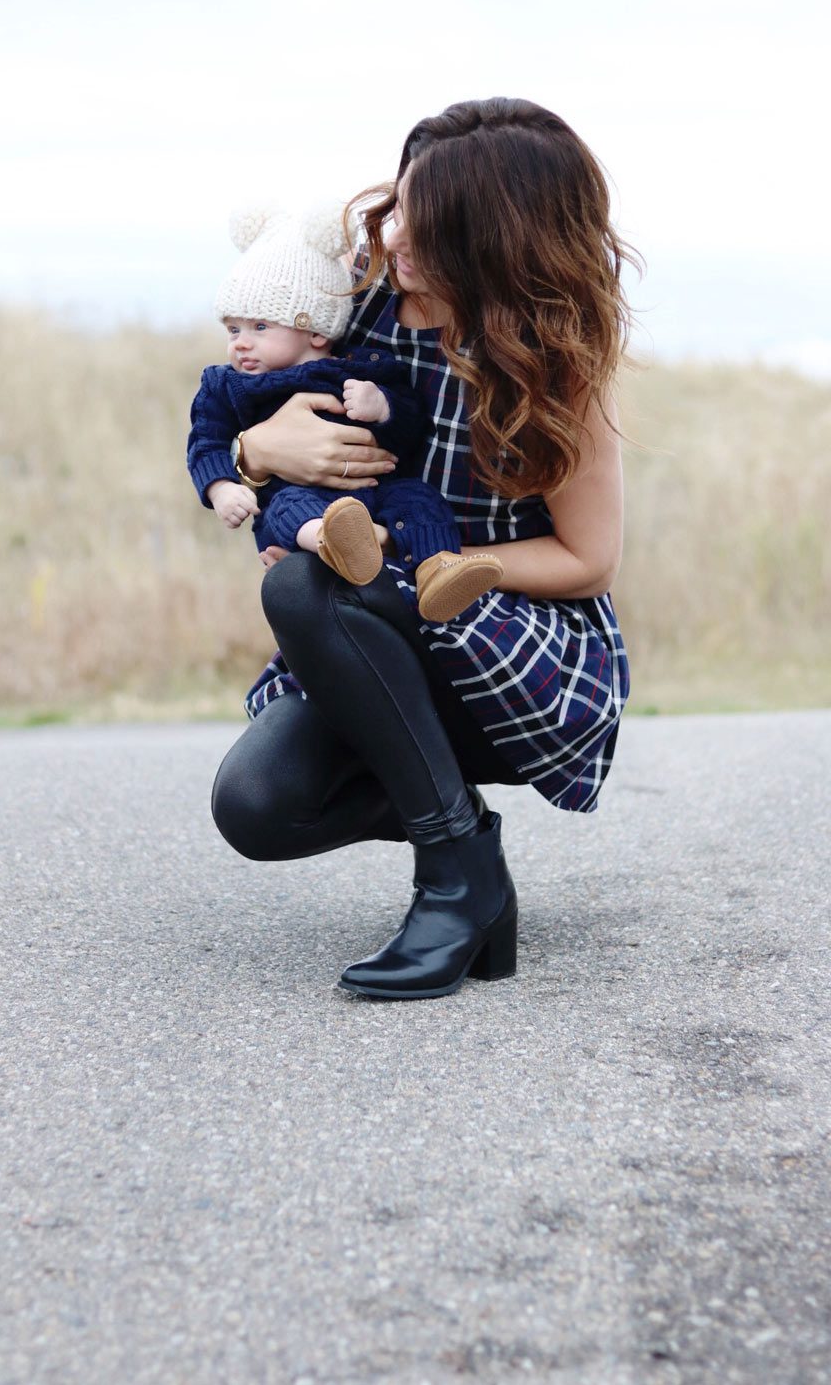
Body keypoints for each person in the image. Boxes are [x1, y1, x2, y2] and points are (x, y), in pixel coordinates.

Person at [210, 98, 635, 1000]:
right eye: (399, 202)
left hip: (509, 651)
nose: (395, 232)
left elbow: (589, 560)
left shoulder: (550, 363)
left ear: (494, 238)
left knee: (303, 594)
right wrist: (259, 452)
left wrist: (434, 574)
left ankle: (454, 886)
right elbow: (234, 411)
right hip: (371, 643)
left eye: (425, 220)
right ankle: (466, 852)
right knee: (257, 805)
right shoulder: (356, 308)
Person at [187, 207, 503, 623]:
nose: (241, 344)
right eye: (233, 330)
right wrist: (221, 489)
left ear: (316, 331)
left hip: (378, 492)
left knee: (420, 501)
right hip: (296, 497)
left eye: (260, 327)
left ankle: (437, 572)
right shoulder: (226, 385)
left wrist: (383, 407)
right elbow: (205, 442)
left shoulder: (360, 369)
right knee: (289, 508)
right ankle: (332, 545)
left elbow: (410, 427)